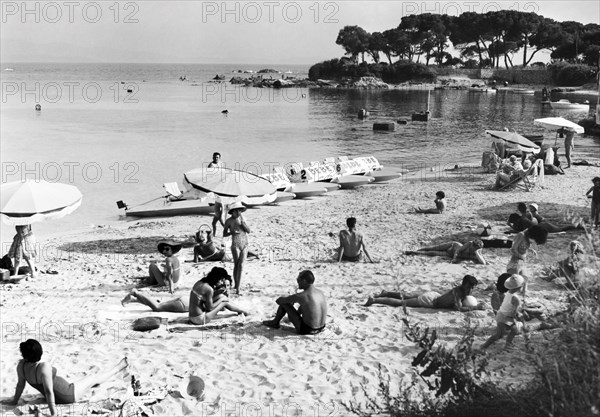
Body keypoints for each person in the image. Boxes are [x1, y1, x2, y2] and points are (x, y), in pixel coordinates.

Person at [1, 339, 128, 416]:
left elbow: (20, 386)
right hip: (68, 394)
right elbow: (48, 391)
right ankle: (118, 367)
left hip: (60, 392)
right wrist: (53, 412)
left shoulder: (21, 366)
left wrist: (14, 401)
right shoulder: (43, 367)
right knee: (92, 377)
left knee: (87, 382)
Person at [364, 275, 483, 311]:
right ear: (466, 286)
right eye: (471, 288)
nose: (472, 290)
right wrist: (475, 307)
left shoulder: (460, 291)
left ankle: (386, 292)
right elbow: (459, 308)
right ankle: (374, 300)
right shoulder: (458, 293)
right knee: (402, 302)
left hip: (434, 295)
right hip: (431, 301)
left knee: (408, 295)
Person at [262, 270, 328, 335]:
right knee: (302, 304)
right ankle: (278, 321)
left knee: (285, 302)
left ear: (304, 281)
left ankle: (275, 323)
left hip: (308, 330)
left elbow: (279, 301)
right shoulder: (320, 292)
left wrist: (290, 299)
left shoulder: (302, 295)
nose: (297, 282)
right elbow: (307, 307)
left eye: (298, 280)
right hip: (321, 328)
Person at [481, 274, 525, 349]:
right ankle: (484, 346)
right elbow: (515, 313)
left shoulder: (508, 293)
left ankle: (508, 345)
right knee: (499, 335)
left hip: (502, 315)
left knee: (513, 329)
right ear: (520, 287)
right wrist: (520, 319)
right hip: (505, 318)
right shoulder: (516, 299)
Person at [223, 202, 250, 294]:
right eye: (237, 211)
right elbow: (224, 233)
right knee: (237, 265)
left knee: (241, 265)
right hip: (235, 244)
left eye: (240, 210)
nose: (239, 212)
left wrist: (243, 224)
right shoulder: (228, 221)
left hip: (245, 243)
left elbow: (249, 231)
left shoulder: (243, 219)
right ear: (233, 211)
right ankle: (236, 285)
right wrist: (232, 232)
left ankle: (238, 287)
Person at [405, 239, 486, 264]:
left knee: (431, 253)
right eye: (475, 247)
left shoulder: (477, 252)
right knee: (433, 248)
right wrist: (454, 259)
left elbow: (484, 263)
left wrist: (477, 253)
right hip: (452, 246)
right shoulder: (469, 244)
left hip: (449, 254)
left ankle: (414, 252)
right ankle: (417, 250)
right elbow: (458, 250)